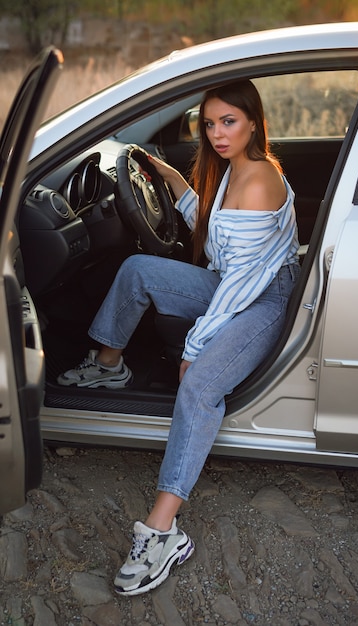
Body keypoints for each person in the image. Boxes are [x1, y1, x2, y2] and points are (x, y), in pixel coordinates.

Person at [57, 79, 300, 596]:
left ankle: (163, 532)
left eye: (228, 122)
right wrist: (166, 176)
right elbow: (214, 236)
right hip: (235, 282)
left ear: (254, 121)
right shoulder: (233, 169)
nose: (216, 134)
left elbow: (240, 287)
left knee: (198, 385)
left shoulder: (259, 180)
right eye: (208, 124)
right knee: (140, 269)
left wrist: (194, 349)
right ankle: (108, 362)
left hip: (262, 299)